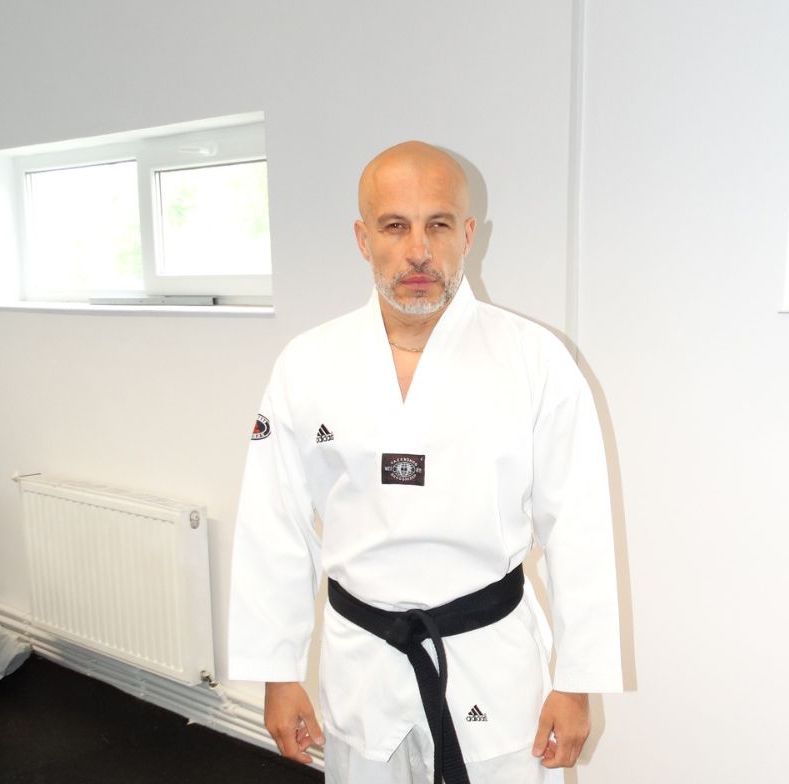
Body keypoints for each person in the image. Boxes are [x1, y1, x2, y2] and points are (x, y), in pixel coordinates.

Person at [228, 141, 622, 783]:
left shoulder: (533, 360)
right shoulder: (308, 365)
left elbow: (578, 526)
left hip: (490, 663)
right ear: (363, 239)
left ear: (467, 235)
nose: (418, 250)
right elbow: (274, 526)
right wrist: (278, 672)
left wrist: (576, 682)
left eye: (437, 225)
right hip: (362, 663)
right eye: (395, 226)